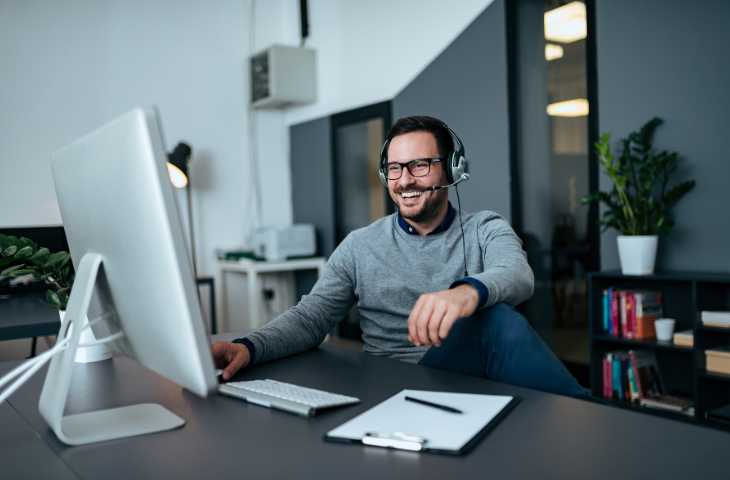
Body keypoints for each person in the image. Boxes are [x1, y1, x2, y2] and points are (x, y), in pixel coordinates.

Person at [212, 115, 598, 403]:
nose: (404, 180)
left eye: (419, 165)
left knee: (491, 319)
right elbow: (312, 317)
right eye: (394, 168)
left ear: (451, 169)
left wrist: (466, 293)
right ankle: (594, 415)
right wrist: (249, 346)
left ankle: (589, 418)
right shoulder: (360, 244)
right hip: (392, 385)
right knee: (491, 320)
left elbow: (518, 274)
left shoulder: (485, 228)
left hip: (467, 377)